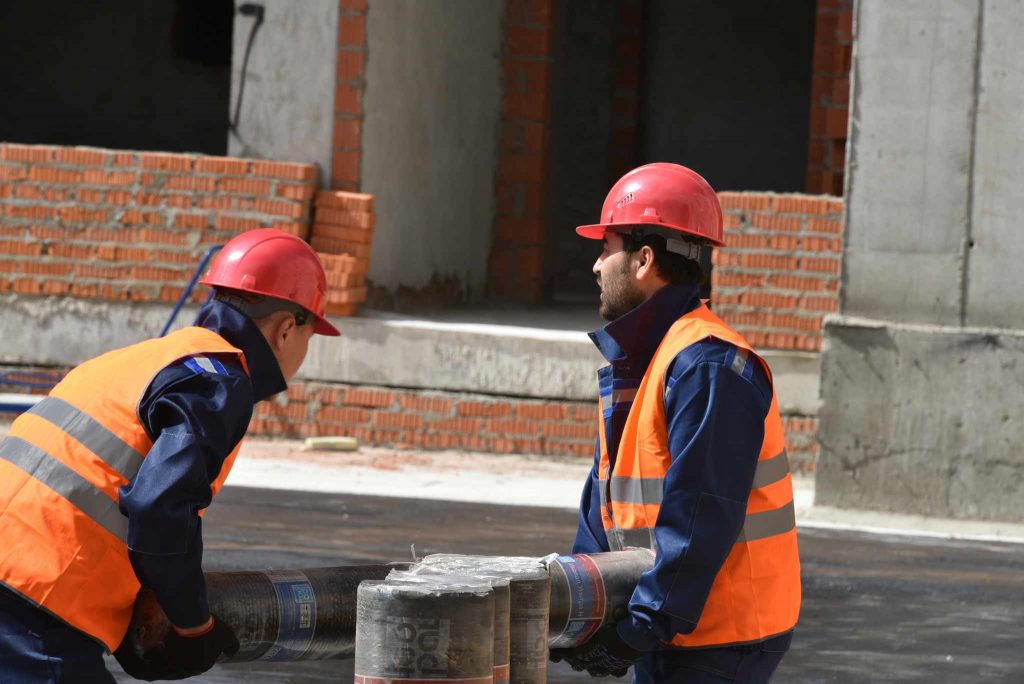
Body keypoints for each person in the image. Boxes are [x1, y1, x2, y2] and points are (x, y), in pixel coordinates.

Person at [0, 228, 341, 682]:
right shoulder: (219, 382)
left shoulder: (149, 357)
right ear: (284, 330)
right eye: (309, 334)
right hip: (35, 601)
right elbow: (160, 508)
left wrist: (128, 632)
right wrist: (192, 624)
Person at [550, 164, 801, 683]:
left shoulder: (708, 367)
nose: (596, 266)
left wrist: (640, 626)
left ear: (644, 259)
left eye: (606, 248)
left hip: (716, 636)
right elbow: (608, 500)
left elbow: (700, 515)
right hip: (673, 626)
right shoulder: (651, 359)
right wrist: (582, 610)